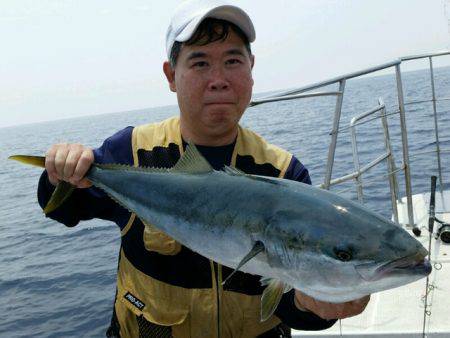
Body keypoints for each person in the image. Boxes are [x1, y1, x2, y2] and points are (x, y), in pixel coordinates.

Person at [37, 1, 370, 337]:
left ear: (251, 68)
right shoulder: (133, 152)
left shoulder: (283, 172)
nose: (219, 80)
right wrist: (58, 174)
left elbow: (289, 306)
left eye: (233, 61)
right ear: (171, 75)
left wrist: (316, 306)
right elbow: (64, 210)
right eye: (200, 63)